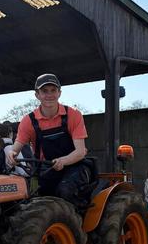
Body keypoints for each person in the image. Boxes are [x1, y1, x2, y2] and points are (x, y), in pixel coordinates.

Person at [6, 74, 90, 207]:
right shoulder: (29, 121)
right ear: (37, 95)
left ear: (59, 93)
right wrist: (11, 154)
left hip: (74, 167)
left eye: (53, 90)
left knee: (65, 191)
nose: (49, 95)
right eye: (44, 91)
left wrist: (63, 161)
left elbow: (80, 152)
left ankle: (77, 224)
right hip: (47, 169)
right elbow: (15, 148)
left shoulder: (73, 115)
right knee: (33, 200)